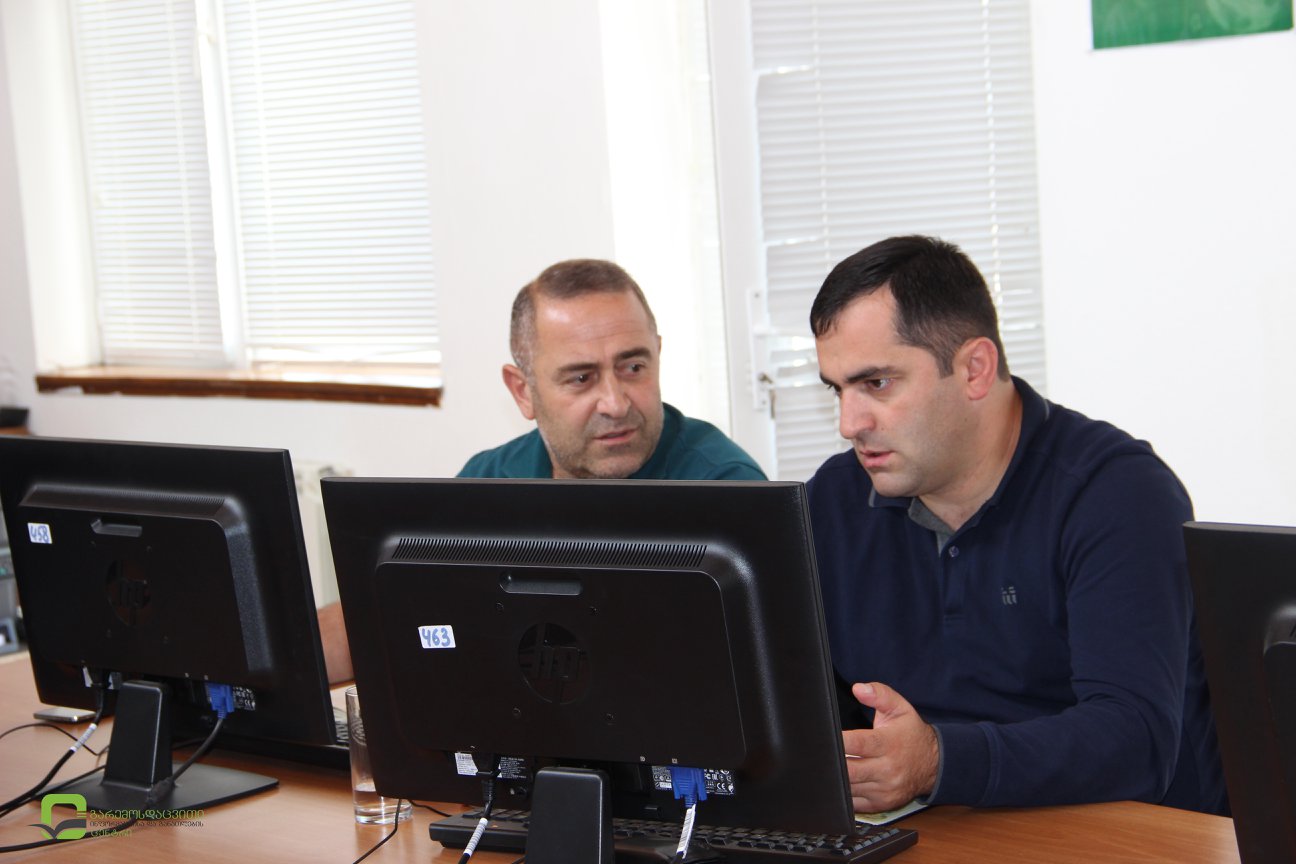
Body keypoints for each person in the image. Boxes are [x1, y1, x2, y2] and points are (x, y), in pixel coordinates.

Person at [807, 235, 1225, 815]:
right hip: (940, 831)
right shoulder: (834, 499)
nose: (849, 423)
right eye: (837, 389)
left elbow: (1136, 739)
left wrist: (937, 761)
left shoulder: (1118, 493)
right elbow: (801, 700)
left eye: (876, 384)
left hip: (1127, 835)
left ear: (975, 369)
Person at [459, 258, 765, 481]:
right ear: (523, 392)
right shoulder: (483, 484)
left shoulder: (726, 488)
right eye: (581, 378)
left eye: (633, 368)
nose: (616, 405)